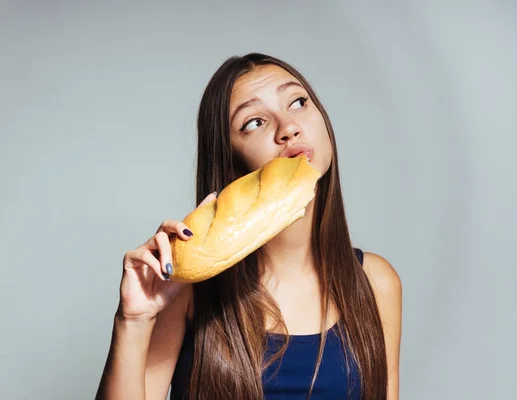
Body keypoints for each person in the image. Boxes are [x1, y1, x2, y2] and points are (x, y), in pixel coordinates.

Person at [95, 53, 402, 400]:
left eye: (298, 102)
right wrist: (133, 320)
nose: (288, 127)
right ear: (230, 160)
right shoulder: (187, 288)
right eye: (254, 122)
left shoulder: (376, 282)